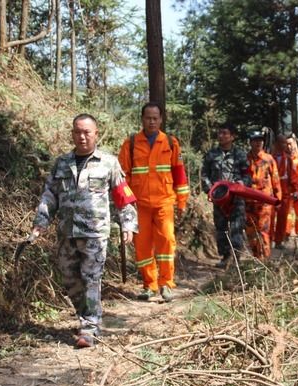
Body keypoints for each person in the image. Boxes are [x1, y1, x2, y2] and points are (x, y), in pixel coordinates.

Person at [31, 113, 138, 348]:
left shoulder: (108, 163)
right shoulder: (61, 164)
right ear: (72, 134)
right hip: (66, 232)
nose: (82, 137)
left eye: (87, 132)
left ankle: (89, 328)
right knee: (70, 279)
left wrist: (128, 224)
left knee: (91, 279)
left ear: (96, 134)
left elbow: (123, 196)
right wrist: (41, 221)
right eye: (77, 132)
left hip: (95, 234)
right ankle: (88, 317)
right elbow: (50, 195)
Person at [118, 102, 190, 302]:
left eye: (155, 118)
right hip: (139, 205)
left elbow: (179, 174)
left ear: (161, 119)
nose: (151, 121)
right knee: (142, 246)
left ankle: (166, 284)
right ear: (142, 119)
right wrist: (125, 204)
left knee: (166, 241)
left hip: (164, 202)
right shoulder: (130, 143)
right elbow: (122, 177)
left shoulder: (170, 142)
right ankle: (149, 284)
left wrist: (182, 201)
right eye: (148, 117)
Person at [201, 123, 251, 268]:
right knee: (221, 227)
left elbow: (248, 174)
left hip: (236, 198)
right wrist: (209, 190)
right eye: (220, 133)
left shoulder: (240, 154)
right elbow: (205, 174)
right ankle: (225, 256)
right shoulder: (211, 154)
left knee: (237, 226)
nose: (221, 136)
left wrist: (242, 183)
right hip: (219, 197)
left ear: (233, 136)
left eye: (225, 133)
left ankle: (236, 257)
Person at [245, 130, 281, 259]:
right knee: (251, 233)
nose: (258, 143)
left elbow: (276, 181)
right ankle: (256, 258)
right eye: (255, 140)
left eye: (260, 140)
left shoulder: (268, 159)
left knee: (264, 232)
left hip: (264, 202)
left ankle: (265, 260)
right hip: (248, 203)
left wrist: (278, 200)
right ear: (250, 142)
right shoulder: (245, 159)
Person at [274, 133, 298, 247]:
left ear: (295, 143)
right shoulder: (279, 158)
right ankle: (286, 232)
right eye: (287, 144)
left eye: (290, 144)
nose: (289, 146)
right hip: (286, 190)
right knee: (286, 213)